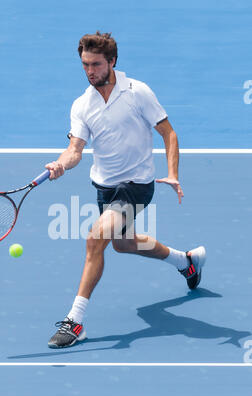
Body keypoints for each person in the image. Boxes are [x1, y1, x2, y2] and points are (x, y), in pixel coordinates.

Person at [45, 31, 206, 348]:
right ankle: (185, 262)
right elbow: (75, 149)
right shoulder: (82, 105)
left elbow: (169, 133)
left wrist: (173, 173)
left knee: (95, 238)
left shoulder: (138, 92)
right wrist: (62, 163)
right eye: (85, 65)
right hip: (105, 187)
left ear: (112, 62)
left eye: (96, 64)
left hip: (137, 185)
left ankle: (75, 322)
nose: (90, 71)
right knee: (124, 244)